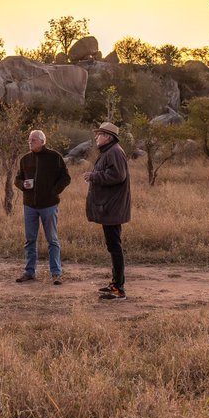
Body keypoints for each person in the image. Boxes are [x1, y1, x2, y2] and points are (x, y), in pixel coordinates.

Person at [13, 129, 71, 284]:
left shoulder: (54, 157)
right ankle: (29, 272)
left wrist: (54, 191)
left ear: (42, 141)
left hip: (49, 205)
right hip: (29, 205)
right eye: (29, 140)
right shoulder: (25, 159)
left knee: (52, 239)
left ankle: (56, 273)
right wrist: (22, 185)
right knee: (30, 239)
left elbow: (66, 177)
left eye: (33, 140)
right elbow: (17, 178)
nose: (30, 142)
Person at [82, 121, 131, 300]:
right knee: (113, 246)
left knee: (115, 247)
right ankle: (115, 283)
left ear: (108, 137)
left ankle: (119, 289)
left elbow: (118, 176)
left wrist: (93, 176)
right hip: (110, 207)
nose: (96, 137)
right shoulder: (110, 151)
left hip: (113, 208)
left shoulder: (114, 152)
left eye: (99, 134)